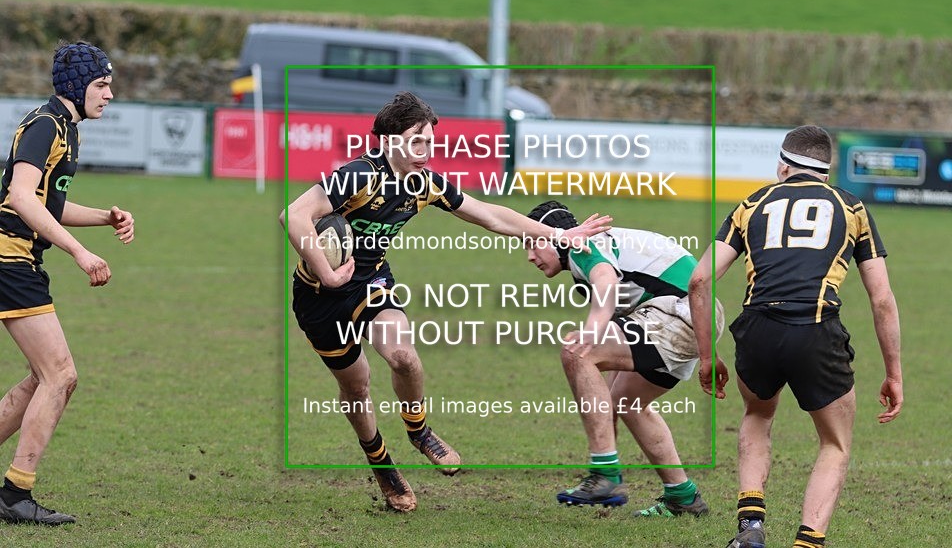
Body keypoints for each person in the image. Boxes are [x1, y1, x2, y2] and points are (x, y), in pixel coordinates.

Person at [280, 92, 610, 513]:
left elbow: (489, 214)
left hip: (371, 285)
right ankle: (383, 466)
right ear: (387, 141)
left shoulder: (424, 184)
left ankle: (419, 432)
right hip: (318, 298)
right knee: (356, 386)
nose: (425, 152)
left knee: (403, 356)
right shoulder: (358, 175)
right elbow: (293, 215)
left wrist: (560, 236)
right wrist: (326, 272)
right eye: (416, 142)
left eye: (430, 143)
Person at [688, 125, 903, 548]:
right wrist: (894, 372)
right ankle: (807, 542)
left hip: (758, 329)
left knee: (757, 415)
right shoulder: (852, 207)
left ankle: (750, 527)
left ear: (783, 166)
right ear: (825, 170)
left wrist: (707, 357)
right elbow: (881, 300)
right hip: (817, 330)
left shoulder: (751, 203)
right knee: (835, 444)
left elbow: (698, 282)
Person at [0, 40, 135, 525]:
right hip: (8, 259)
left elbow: (47, 204)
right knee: (61, 376)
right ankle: (15, 496)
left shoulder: (64, 127)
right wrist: (79, 251)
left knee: (45, 377)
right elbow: (19, 196)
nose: (109, 94)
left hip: (17, 260)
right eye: (102, 85)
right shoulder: (45, 125)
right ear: (77, 87)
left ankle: (12, 494)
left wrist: (105, 216)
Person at [523, 200, 725, 517]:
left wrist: (592, 331)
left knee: (577, 351)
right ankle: (683, 498)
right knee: (626, 402)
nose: (530, 256)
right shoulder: (591, 250)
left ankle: (605, 473)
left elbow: (607, 282)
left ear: (557, 238)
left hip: (678, 315)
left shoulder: (582, 248)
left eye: (533, 245)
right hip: (689, 316)